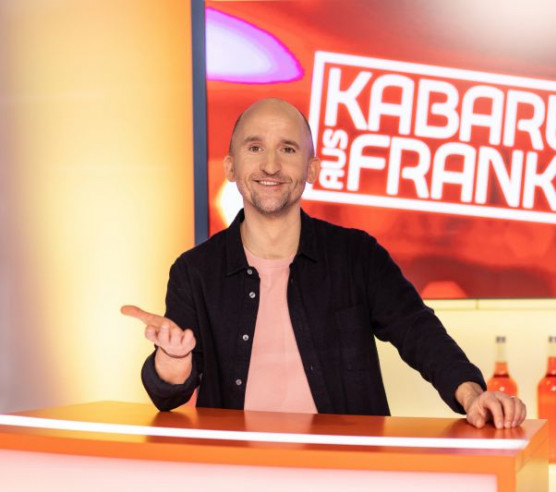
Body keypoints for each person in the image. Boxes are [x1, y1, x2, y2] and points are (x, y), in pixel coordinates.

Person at [122, 98, 526, 429]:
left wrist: (471, 394)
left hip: (348, 471)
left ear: (312, 169)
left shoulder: (357, 255)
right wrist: (174, 359)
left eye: (288, 149)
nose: (271, 165)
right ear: (230, 166)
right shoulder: (194, 270)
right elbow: (167, 395)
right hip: (236, 473)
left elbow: (418, 331)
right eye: (255, 147)